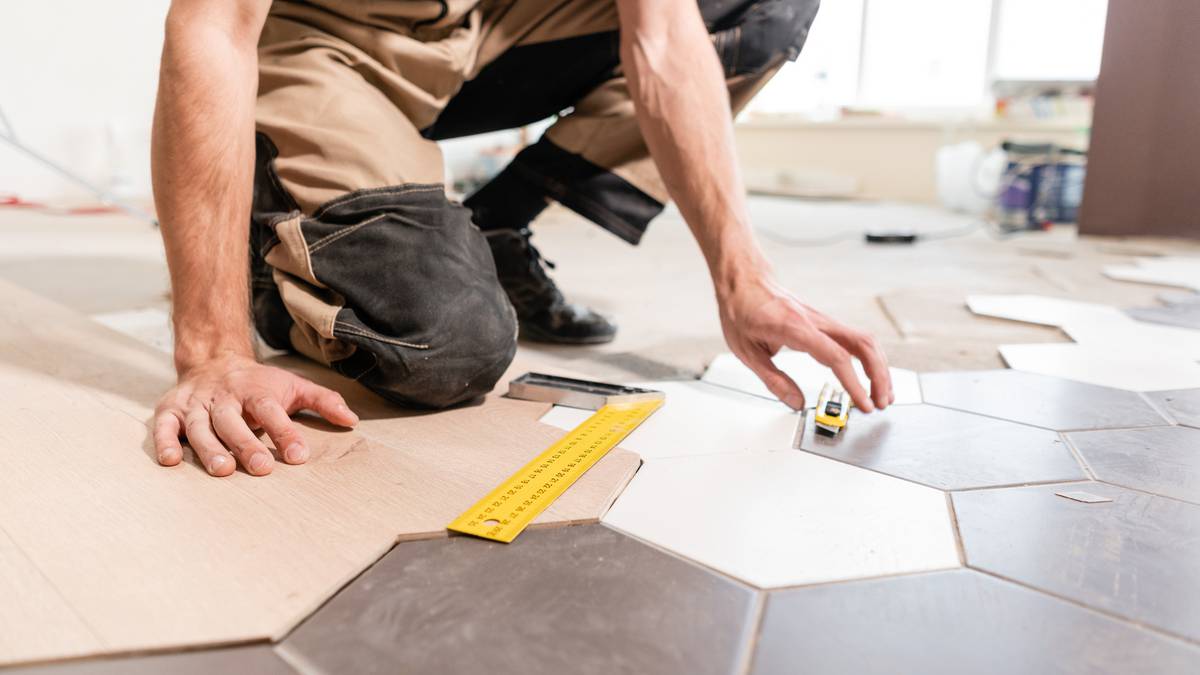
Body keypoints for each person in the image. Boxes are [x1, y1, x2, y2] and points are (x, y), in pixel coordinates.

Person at [150, 0, 894, 478]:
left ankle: (497, 224)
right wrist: (213, 348)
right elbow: (212, 25)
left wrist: (743, 279)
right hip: (331, 37)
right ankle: (278, 261)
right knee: (444, 346)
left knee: (763, 7)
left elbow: (664, 34)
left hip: (487, 25)